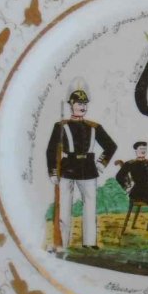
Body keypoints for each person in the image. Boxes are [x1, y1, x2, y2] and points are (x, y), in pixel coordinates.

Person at [46, 79, 117, 249]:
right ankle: (62, 243)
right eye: (79, 103)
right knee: (64, 207)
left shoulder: (94, 127)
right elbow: (51, 150)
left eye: (85, 103)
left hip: (88, 169)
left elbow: (111, 146)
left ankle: (89, 242)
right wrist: (53, 171)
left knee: (90, 206)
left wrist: (100, 165)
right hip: (67, 169)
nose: (82, 106)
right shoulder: (61, 126)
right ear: (71, 105)